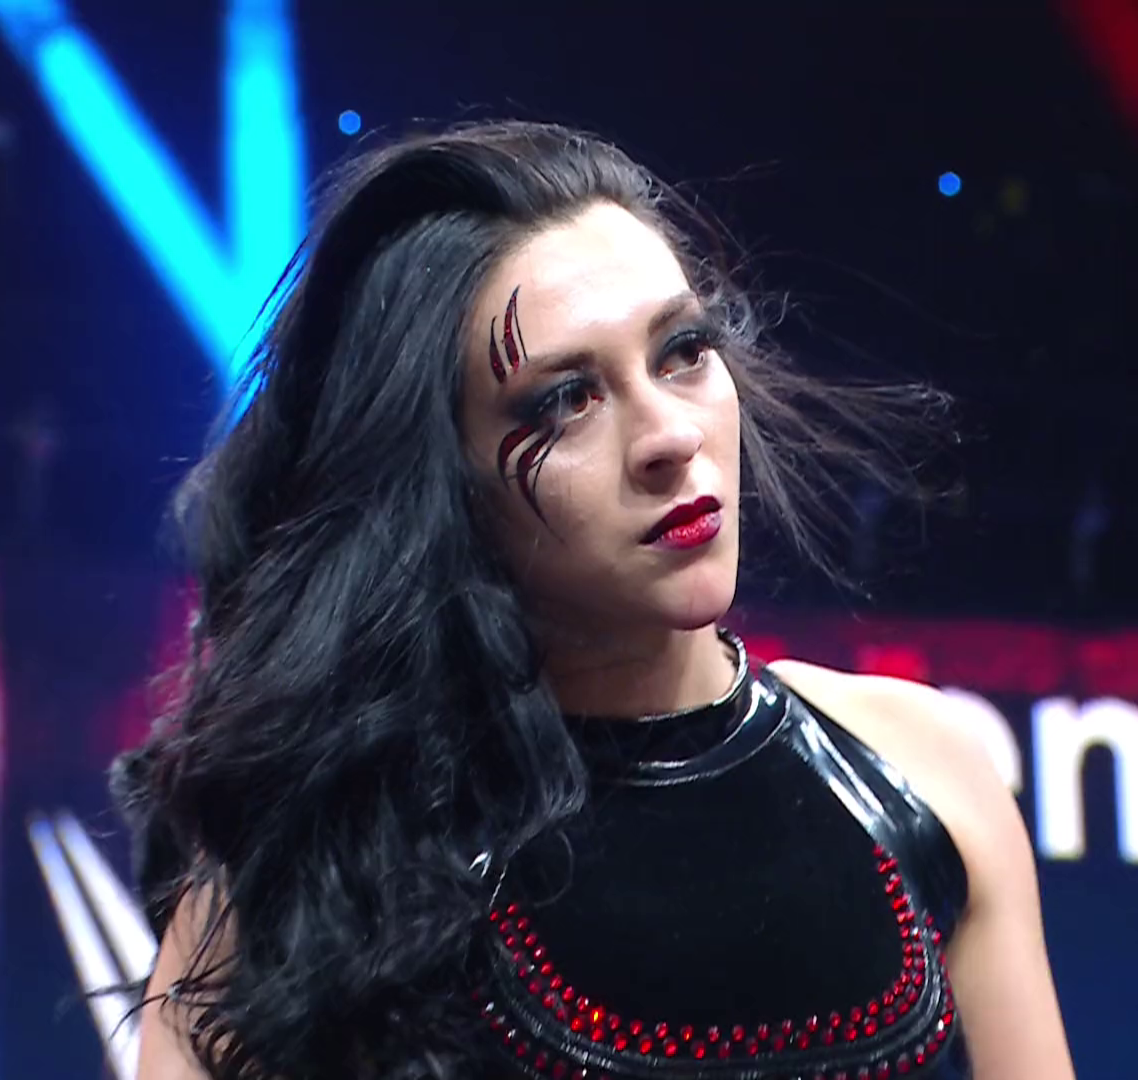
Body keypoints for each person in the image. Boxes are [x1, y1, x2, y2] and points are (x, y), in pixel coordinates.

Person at [113, 120, 1075, 1080]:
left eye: (683, 350)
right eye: (565, 399)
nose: (669, 437)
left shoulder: (928, 776)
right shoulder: (303, 884)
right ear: (441, 479)